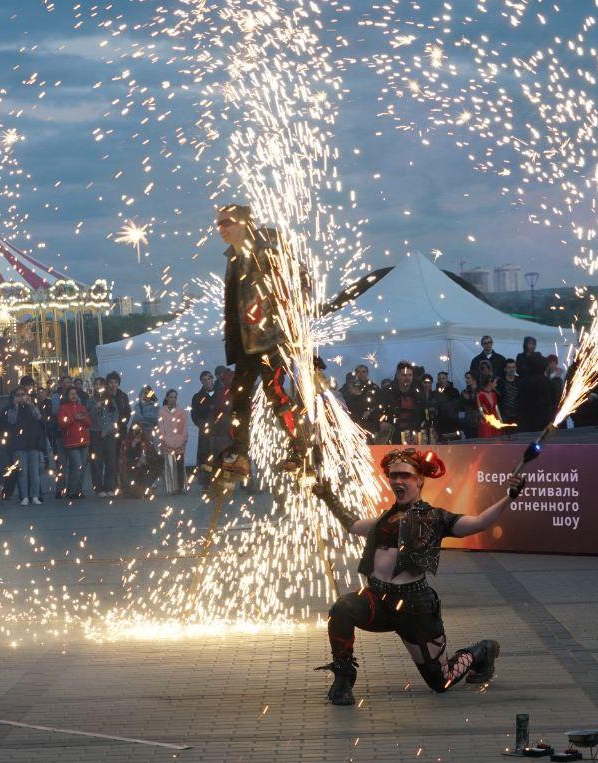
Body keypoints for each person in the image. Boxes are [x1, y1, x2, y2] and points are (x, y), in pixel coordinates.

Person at [311, 448, 525, 704]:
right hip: (378, 600)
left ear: (420, 480)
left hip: (415, 607)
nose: (398, 481)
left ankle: (482, 652)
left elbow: (478, 523)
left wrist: (509, 496)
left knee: (441, 681)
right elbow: (353, 525)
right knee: (343, 608)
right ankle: (344, 678)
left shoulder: (435, 518)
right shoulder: (384, 520)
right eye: (393, 476)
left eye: (405, 475)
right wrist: (328, 497)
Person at [215, 203, 310, 477]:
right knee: (239, 396)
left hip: (271, 337)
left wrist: (286, 314)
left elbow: (300, 277)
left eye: (227, 222)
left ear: (245, 222)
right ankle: (240, 453)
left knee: (276, 393)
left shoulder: (265, 247)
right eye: (219, 223)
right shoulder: (232, 257)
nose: (221, 228)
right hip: (246, 342)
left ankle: (300, 449)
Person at [5, 387, 47, 505]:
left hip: (32, 442)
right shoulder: (12, 409)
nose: (21, 397)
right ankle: (24, 496)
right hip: (19, 444)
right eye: (18, 395)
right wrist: (16, 407)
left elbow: (39, 418)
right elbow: (11, 421)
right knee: (22, 472)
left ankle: (35, 495)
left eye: (23, 394)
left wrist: (31, 405)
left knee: (34, 471)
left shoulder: (31, 406)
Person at [57, 386, 91, 500]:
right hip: (71, 441)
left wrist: (83, 418)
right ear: (67, 396)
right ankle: (71, 491)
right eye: (71, 394)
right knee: (77, 466)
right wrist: (74, 418)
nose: (74, 396)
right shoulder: (63, 408)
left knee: (82, 467)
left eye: (75, 394)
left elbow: (88, 423)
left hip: (84, 440)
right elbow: (62, 423)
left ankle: (78, 490)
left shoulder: (81, 407)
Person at [378, 362, 424, 443]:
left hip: (413, 432)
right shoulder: (387, 392)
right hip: (392, 434)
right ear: (398, 376)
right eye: (404, 375)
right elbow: (378, 411)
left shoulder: (418, 392)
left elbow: (423, 413)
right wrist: (381, 423)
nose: (407, 378)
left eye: (410, 375)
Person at [515, 336, 553, 431]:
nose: (531, 346)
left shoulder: (537, 356)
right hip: (526, 385)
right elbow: (520, 370)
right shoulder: (520, 356)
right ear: (525, 345)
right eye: (529, 344)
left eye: (533, 344)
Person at [117, 422, 163, 499]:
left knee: (152, 468)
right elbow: (124, 459)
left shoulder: (146, 443)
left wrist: (146, 459)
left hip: (144, 470)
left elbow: (156, 458)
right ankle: (132, 489)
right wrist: (133, 445)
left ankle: (145, 487)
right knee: (134, 493)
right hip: (131, 471)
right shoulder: (127, 442)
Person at [158, 389, 189, 495]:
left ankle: (180, 487)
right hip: (167, 444)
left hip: (179, 443)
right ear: (167, 398)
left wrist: (182, 439)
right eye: (171, 397)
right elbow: (161, 428)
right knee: (170, 466)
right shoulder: (162, 412)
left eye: (175, 397)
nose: (173, 399)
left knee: (180, 465)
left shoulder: (181, 411)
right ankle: (171, 488)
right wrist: (165, 440)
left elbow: (184, 427)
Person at [190, 371, 219, 481]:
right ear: (201, 381)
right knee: (205, 456)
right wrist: (202, 425)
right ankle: (206, 481)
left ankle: (218, 480)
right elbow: (194, 415)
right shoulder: (197, 397)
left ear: (212, 379)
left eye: (208, 378)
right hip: (205, 431)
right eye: (204, 379)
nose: (207, 381)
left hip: (219, 430)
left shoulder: (219, 394)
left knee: (218, 455)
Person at [342, 364, 382, 435]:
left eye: (364, 372)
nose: (361, 374)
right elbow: (343, 399)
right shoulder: (349, 387)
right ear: (356, 374)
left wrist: (370, 411)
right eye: (358, 372)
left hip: (371, 420)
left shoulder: (373, 387)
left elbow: (379, 403)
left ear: (367, 373)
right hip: (355, 419)